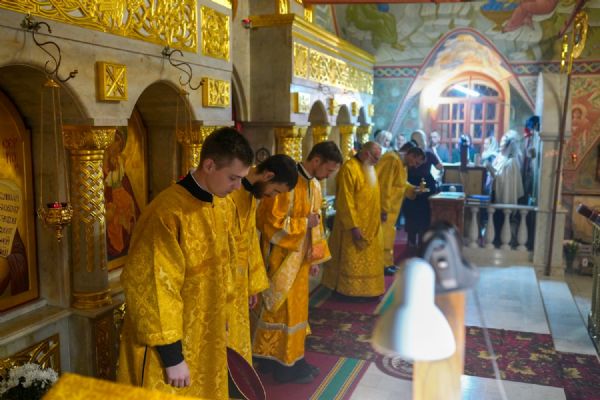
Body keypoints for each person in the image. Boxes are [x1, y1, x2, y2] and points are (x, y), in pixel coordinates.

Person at [117, 127, 254, 398]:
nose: (238, 187)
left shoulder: (223, 205)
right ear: (209, 165)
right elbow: (153, 287)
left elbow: (228, 265)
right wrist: (172, 356)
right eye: (233, 178)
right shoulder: (167, 212)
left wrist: (225, 317)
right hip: (169, 345)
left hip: (208, 335)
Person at [252, 141, 343, 384]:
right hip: (280, 261)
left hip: (300, 261)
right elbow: (268, 222)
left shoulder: (315, 185)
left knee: (297, 312)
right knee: (281, 312)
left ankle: (290, 358)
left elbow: (317, 222)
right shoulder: (287, 182)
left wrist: (314, 256)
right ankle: (281, 364)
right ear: (316, 160)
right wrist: (304, 224)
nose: (329, 175)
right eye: (328, 169)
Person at [227, 154, 298, 365]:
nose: (272, 196)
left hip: (239, 281)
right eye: (275, 190)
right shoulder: (229, 192)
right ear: (268, 176)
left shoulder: (249, 195)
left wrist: (253, 285)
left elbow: (250, 240)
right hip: (223, 279)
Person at [322, 142, 385, 301]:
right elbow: (345, 200)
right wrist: (353, 226)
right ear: (366, 154)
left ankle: (369, 290)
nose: (377, 162)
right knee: (350, 259)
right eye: (375, 158)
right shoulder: (349, 168)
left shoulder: (369, 167)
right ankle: (348, 291)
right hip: (351, 226)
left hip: (371, 224)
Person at [376, 146, 425, 275]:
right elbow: (384, 185)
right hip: (384, 208)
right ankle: (380, 265)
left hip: (393, 209)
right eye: (416, 162)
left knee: (388, 236)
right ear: (411, 155)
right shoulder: (391, 159)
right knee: (382, 237)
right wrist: (384, 208)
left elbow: (402, 184)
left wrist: (414, 189)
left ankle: (388, 263)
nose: (415, 166)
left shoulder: (403, 164)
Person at [403, 132, 442, 247]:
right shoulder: (428, 153)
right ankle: (422, 241)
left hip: (411, 182)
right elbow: (440, 167)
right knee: (424, 214)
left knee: (412, 213)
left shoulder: (410, 155)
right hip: (424, 184)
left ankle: (411, 241)